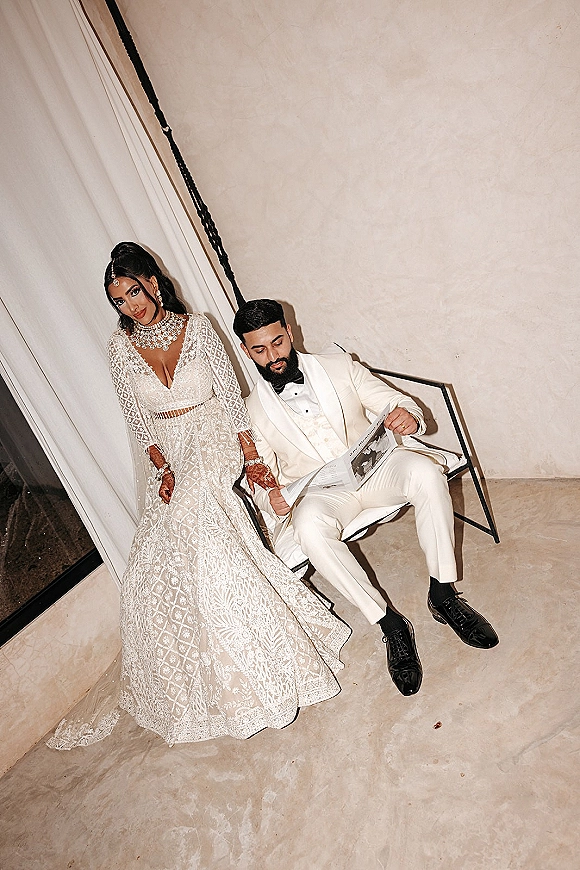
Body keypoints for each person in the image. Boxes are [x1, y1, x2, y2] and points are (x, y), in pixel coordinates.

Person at [49, 245, 350, 749]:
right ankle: (203, 672)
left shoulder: (200, 327)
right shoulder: (119, 348)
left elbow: (231, 397)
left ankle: (266, 654)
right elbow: (136, 417)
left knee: (196, 513)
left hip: (212, 433)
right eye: (118, 301)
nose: (130, 306)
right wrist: (161, 465)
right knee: (147, 562)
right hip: (170, 449)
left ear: (152, 282)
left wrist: (250, 453)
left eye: (133, 292)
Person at [232, 299, 499, 699]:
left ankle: (443, 594)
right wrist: (273, 497)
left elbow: (396, 402)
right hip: (322, 494)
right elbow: (263, 477)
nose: (272, 356)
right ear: (246, 350)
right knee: (308, 527)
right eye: (259, 349)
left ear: (289, 331)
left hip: (375, 471)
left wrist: (408, 416)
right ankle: (390, 624)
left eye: (277, 342)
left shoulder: (339, 367)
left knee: (425, 473)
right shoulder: (251, 410)